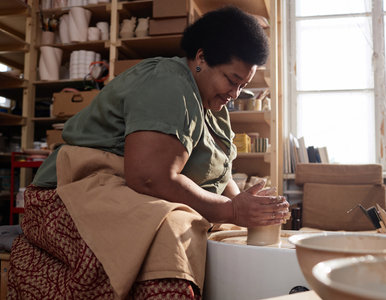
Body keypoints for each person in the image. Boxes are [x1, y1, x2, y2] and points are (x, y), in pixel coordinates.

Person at [8, 6, 289, 299]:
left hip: (128, 189)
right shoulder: (169, 81)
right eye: (231, 80)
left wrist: (249, 207)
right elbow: (149, 178)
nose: (234, 95)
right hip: (76, 187)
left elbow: (221, 175)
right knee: (173, 228)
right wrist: (231, 209)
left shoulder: (214, 109)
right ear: (202, 58)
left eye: (242, 86)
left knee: (228, 235)